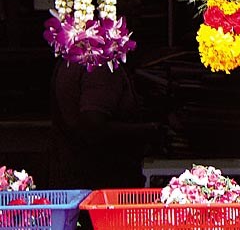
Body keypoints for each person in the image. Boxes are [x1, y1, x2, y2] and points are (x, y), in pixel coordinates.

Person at [49, 58, 163, 191]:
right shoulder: (99, 64)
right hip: (101, 187)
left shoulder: (71, 58)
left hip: (73, 181)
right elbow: (94, 126)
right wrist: (149, 131)